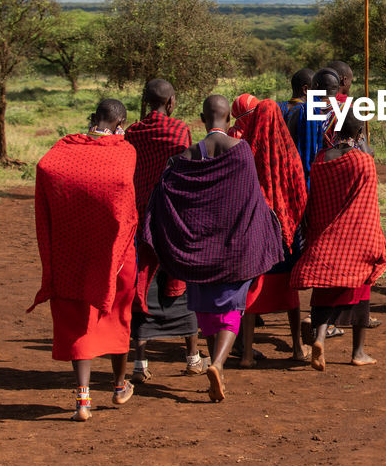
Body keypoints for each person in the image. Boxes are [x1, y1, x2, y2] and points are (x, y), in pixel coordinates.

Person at [140, 95, 284, 402]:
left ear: (202, 119)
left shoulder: (188, 155)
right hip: (234, 248)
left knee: (204, 308)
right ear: (228, 122)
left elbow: (168, 195)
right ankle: (217, 364)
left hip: (198, 248)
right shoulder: (242, 152)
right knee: (233, 306)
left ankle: (213, 362)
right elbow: (250, 200)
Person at [29, 98, 138, 422]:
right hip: (115, 254)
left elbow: (46, 169)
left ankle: (83, 401)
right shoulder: (124, 152)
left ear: (93, 119)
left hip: (71, 253)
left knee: (79, 320)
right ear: (120, 126)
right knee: (118, 317)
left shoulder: (63, 150)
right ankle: (119, 387)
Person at [291, 113, 386, 371]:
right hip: (356, 240)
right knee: (361, 294)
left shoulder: (321, 158)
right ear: (359, 134)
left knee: (324, 293)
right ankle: (358, 352)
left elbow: (317, 200)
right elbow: (368, 206)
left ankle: (320, 339)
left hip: (326, 239)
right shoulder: (362, 161)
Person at [125, 79, 203, 383]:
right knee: (181, 280)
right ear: (170, 102)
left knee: (142, 285)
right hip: (173, 216)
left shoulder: (133, 132)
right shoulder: (178, 131)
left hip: (140, 215)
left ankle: (140, 363)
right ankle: (192, 357)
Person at [232, 96, 310, 364]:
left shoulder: (245, 149)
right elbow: (300, 190)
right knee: (290, 291)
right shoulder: (289, 151)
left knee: (255, 288)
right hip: (286, 230)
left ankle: (246, 354)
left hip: (257, 229)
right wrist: (292, 219)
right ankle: (298, 348)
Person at [284, 68, 340, 191]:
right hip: (337, 178)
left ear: (315, 87)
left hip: (304, 179)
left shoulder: (299, 113)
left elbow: (289, 149)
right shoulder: (347, 113)